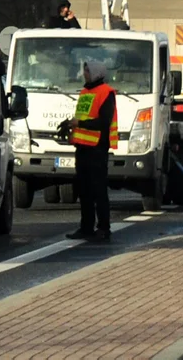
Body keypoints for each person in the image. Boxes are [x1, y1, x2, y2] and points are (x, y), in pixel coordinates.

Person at [65, 60, 117, 241]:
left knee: (99, 191)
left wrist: (80, 124)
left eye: (87, 70)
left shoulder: (106, 93)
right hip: (82, 148)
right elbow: (81, 117)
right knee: (84, 191)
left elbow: (104, 122)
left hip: (97, 149)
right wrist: (73, 131)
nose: (84, 73)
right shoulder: (85, 92)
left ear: (96, 73)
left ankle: (104, 228)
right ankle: (86, 227)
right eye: (84, 70)